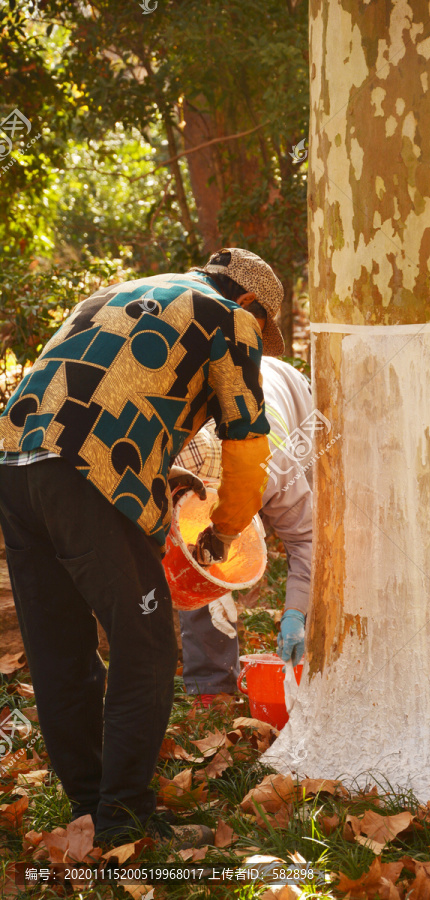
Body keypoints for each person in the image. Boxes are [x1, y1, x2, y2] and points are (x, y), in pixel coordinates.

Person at [0, 247, 284, 845]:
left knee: (61, 650)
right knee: (146, 647)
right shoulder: (229, 317)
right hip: (83, 471)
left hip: (15, 465)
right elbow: (247, 442)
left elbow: (108, 402)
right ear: (253, 302)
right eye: (264, 326)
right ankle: (124, 821)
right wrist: (226, 531)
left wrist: (161, 492)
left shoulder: (121, 293)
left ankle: (89, 806)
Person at [174, 356, 313, 705]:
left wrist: (296, 611)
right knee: (197, 563)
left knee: (323, 527)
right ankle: (212, 687)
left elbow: (307, 540)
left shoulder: (277, 468)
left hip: (296, 409)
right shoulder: (173, 435)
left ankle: (316, 663)